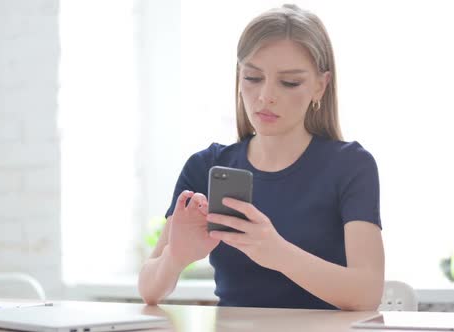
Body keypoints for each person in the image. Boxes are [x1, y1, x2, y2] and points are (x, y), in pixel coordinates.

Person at [138, 4, 384, 310]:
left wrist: (276, 252)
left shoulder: (351, 166)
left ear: (320, 86)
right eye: (253, 77)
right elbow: (149, 290)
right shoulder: (206, 166)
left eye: (289, 82)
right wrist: (176, 257)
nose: (266, 95)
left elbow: (368, 293)